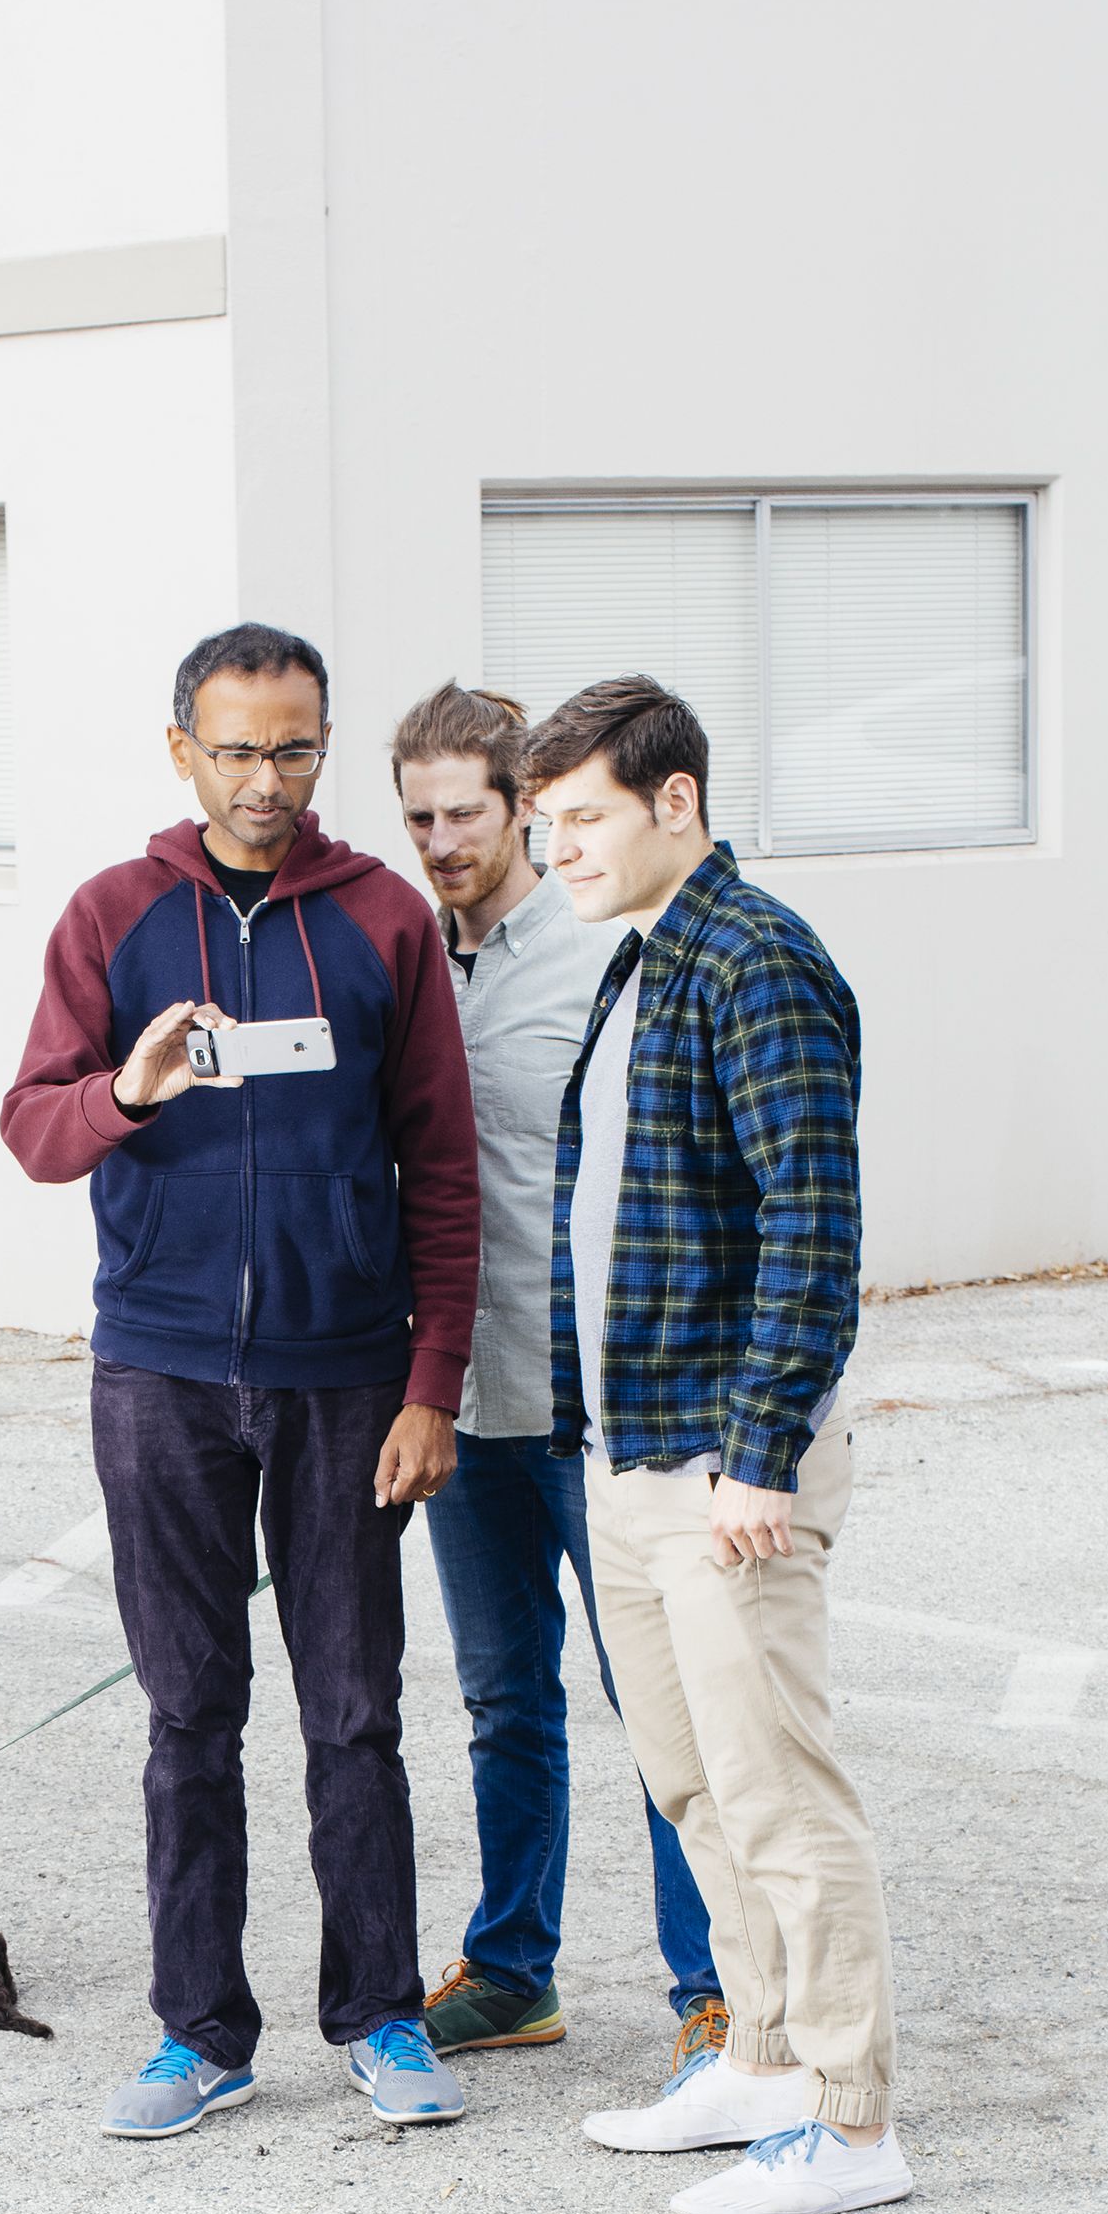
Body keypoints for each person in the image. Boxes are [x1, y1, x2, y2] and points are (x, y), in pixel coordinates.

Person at [0, 622, 481, 2140]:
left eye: (294, 748)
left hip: (347, 1378)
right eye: (237, 749)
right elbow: (33, 1128)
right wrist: (131, 1088)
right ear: (180, 750)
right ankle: (199, 2032)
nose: (267, 779)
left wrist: (432, 1383)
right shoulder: (112, 917)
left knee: (354, 1714)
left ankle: (383, 2019)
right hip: (159, 1370)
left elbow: (446, 1173)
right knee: (187, 1716)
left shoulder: (385, 922)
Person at [521, 671, 910, 2214]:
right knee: (691, 1785)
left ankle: (857, 2121)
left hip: (724, 1470)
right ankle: (758, 2056)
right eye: (545, 827)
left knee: (779, 1791)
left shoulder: (756, 962)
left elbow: (816, 1230)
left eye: (583, 820)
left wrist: (759, 1456)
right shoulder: (639, 964)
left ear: (675, 801)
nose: (558, 853)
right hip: (633, 1458)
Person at [389, 679, 724, 2078]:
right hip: (463, 1401)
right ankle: (514, 1969)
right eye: (419, 816)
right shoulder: (405, 956)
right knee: (501, 1701)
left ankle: (713, 1989)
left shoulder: (597, 953)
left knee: (662, 1702)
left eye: (469, 812)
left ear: (524, 811)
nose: (444, 839)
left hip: (595, 1406)